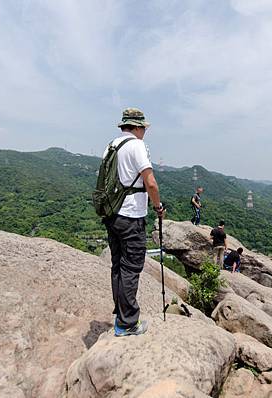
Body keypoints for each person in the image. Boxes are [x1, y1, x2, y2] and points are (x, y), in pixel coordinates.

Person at [104, 107, 164, 337]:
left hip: (112, 214)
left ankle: (120, 314)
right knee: (131, 267)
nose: (144, 133)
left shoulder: (111, 146)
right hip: (131, 216)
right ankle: (128, 323)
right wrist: (158, 206)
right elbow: (150, 182)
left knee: (118, 265)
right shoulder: (137, 146)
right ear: (137, 127)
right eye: (143, 128)